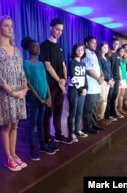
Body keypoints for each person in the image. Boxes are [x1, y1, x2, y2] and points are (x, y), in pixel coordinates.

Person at [0, 16, 28, 172]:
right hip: (6, 93)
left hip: (19, 92)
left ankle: (14, 154)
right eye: (6, 26)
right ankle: (8, 158)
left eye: (11, 26)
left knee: (15, 125)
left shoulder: (17, 50)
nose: (10, 28)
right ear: (0, 28)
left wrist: (24, 88)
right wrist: (13, 92)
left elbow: (21, 71)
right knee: (6, 125)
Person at [21, 37, 55, 161]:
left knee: (41, 122)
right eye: (34, 46)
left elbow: (45, 80)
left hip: (44, 98)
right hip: (35, 99)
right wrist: (39, 98)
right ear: (28, 49)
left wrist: (49, 96)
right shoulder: (26, 63)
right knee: (33, 124)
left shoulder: (40, 63)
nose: (37, 48)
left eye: (38, 46)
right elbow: (28, 83)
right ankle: (32, 149)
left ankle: (42, 145)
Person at [39, 18, 71, 146]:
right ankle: (46, 138)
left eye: (61, 30)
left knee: (59, 110)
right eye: (57, 29)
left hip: (60, 85)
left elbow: (63, 64)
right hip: (50, 85)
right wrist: (59, 80)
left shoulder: (60, 47)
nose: (59, 32)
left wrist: (64, 79)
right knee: (48, 112)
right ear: (50, 27)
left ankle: (58, 134)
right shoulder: (44, 45)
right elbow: (47, 65)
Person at [67, 43, 88, 143]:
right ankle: (71, 133)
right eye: (78, 49)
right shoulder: (72, 62)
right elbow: (73, 77)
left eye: (82, 50)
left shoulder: (83, 63)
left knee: (79, 112)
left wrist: (86, 88)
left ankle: (77, 130)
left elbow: (85, 78)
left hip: (82, 91)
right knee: (73, 112)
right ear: (74, 51)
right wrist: (80, 89)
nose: (80, 51)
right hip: (74, 90)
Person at [82, 36, 103, 134]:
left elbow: (97, 67)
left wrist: (102, 75)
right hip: (90, 85)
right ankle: (87, 126)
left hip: (97, 85)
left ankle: (94, 124)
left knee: (94, 107)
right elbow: (89, 69)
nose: (95, 44)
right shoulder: (85, 53)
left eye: (95, 42)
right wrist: (98, 78)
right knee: (88, 108)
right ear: (87, 44)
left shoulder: (93, 54)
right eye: (92, 42)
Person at [96, 41, 114, 126]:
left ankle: (102, 117)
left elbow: (109, 71)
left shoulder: (107, 59)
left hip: (108, 82)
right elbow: (101, 71)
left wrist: (111, 79)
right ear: (100, 48)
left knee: (105, 100)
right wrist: (108, 79)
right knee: (102, 100)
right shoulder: (99, 58)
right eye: (104, 47)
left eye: (107, 47)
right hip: (103, 81)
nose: (106, 49)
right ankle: (98, 118)